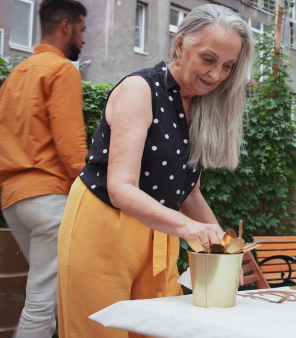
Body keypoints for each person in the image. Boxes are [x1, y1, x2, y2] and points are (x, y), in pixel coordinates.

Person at [57, 4, 253, 337]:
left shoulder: (203, 107)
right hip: (103, 226)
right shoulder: (140, 90)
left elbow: (189, 192)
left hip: (160, 232)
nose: (217, 75)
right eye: (209, 59)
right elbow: (121, 187)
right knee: (100, 331)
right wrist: (190, 228)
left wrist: (222, 245)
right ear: (180, 45)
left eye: (228, 66)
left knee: (160, 330)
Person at [0, 0, 88, 337]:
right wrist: (92, 193)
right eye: (82, 30)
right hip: (49, 200)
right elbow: (71, 144)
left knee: (49, 298)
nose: (83, 38)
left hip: (14, 200)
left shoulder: (16, 75)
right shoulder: (61, 70)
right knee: (42, 302)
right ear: (66, 26)